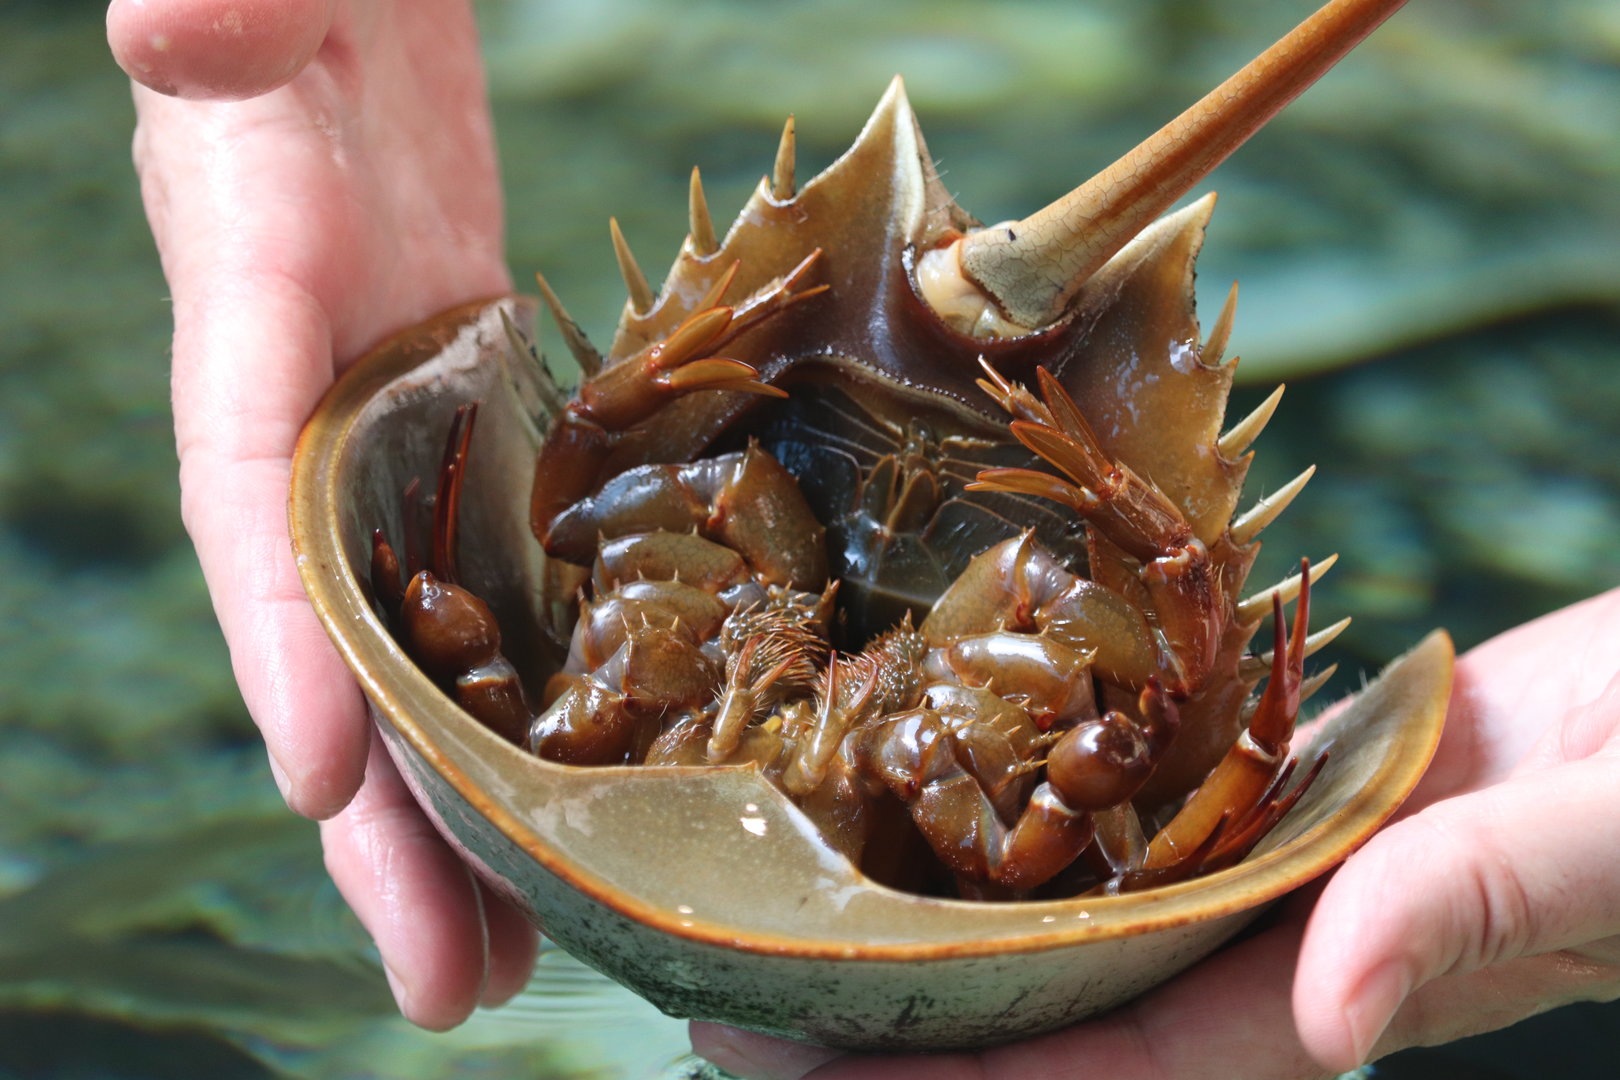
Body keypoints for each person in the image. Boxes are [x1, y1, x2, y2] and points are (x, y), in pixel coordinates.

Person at [108, 1, 1620, 1076]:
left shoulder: (654, 621)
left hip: (887, 667)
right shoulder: (805, 617)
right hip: (949, 665)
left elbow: (483, 577)